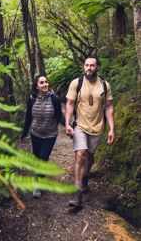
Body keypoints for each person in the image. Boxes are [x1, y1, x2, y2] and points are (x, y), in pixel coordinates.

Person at [65, 57, 115, 208]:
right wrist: (67, 123)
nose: (89, 68)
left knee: (90, 157)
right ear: (83, 67)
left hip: (98, 127)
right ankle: (77, 192)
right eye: (87, 65)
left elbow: (109, 107)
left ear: (97, 67)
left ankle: (84, 177)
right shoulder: (76, 83)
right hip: (80, 125)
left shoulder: (104, 85)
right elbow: (69, 103)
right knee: (80, 155)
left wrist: (112, 128)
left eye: (92, 65)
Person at [21, 74, 64, 198]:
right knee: (38, 159)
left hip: (50, 134)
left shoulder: (55, 98)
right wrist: (24, 133)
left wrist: (68, 125)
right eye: (42, 83)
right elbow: (28, 117)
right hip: (35, 133)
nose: (45, 84)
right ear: (36, 86)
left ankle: (37, 185)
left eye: (46, 82)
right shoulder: (31, 99)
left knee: (43, 159)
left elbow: (59, 116)